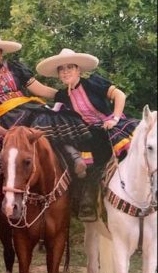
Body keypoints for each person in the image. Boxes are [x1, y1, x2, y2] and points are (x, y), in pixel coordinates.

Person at [0, 28, 90, 177]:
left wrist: (67, 94)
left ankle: (74, 158)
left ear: (1, 53)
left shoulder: (15, 68)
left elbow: (39, 90)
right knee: (36, 122)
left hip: (29, 109)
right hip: (6, 119)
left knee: (50, 115)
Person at [36, 48, 139, 221]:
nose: (66, 71)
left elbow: (119, 95)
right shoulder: (62, 95)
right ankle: (84, 199)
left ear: (79, 70)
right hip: (89, 133)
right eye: (62, 69)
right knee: (72, 152)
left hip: (110, 125)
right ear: (59, 74)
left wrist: (114, 118)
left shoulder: (92, 82)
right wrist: (23, 79)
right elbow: (42, 92)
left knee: (143, 143)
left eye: (70, 67)